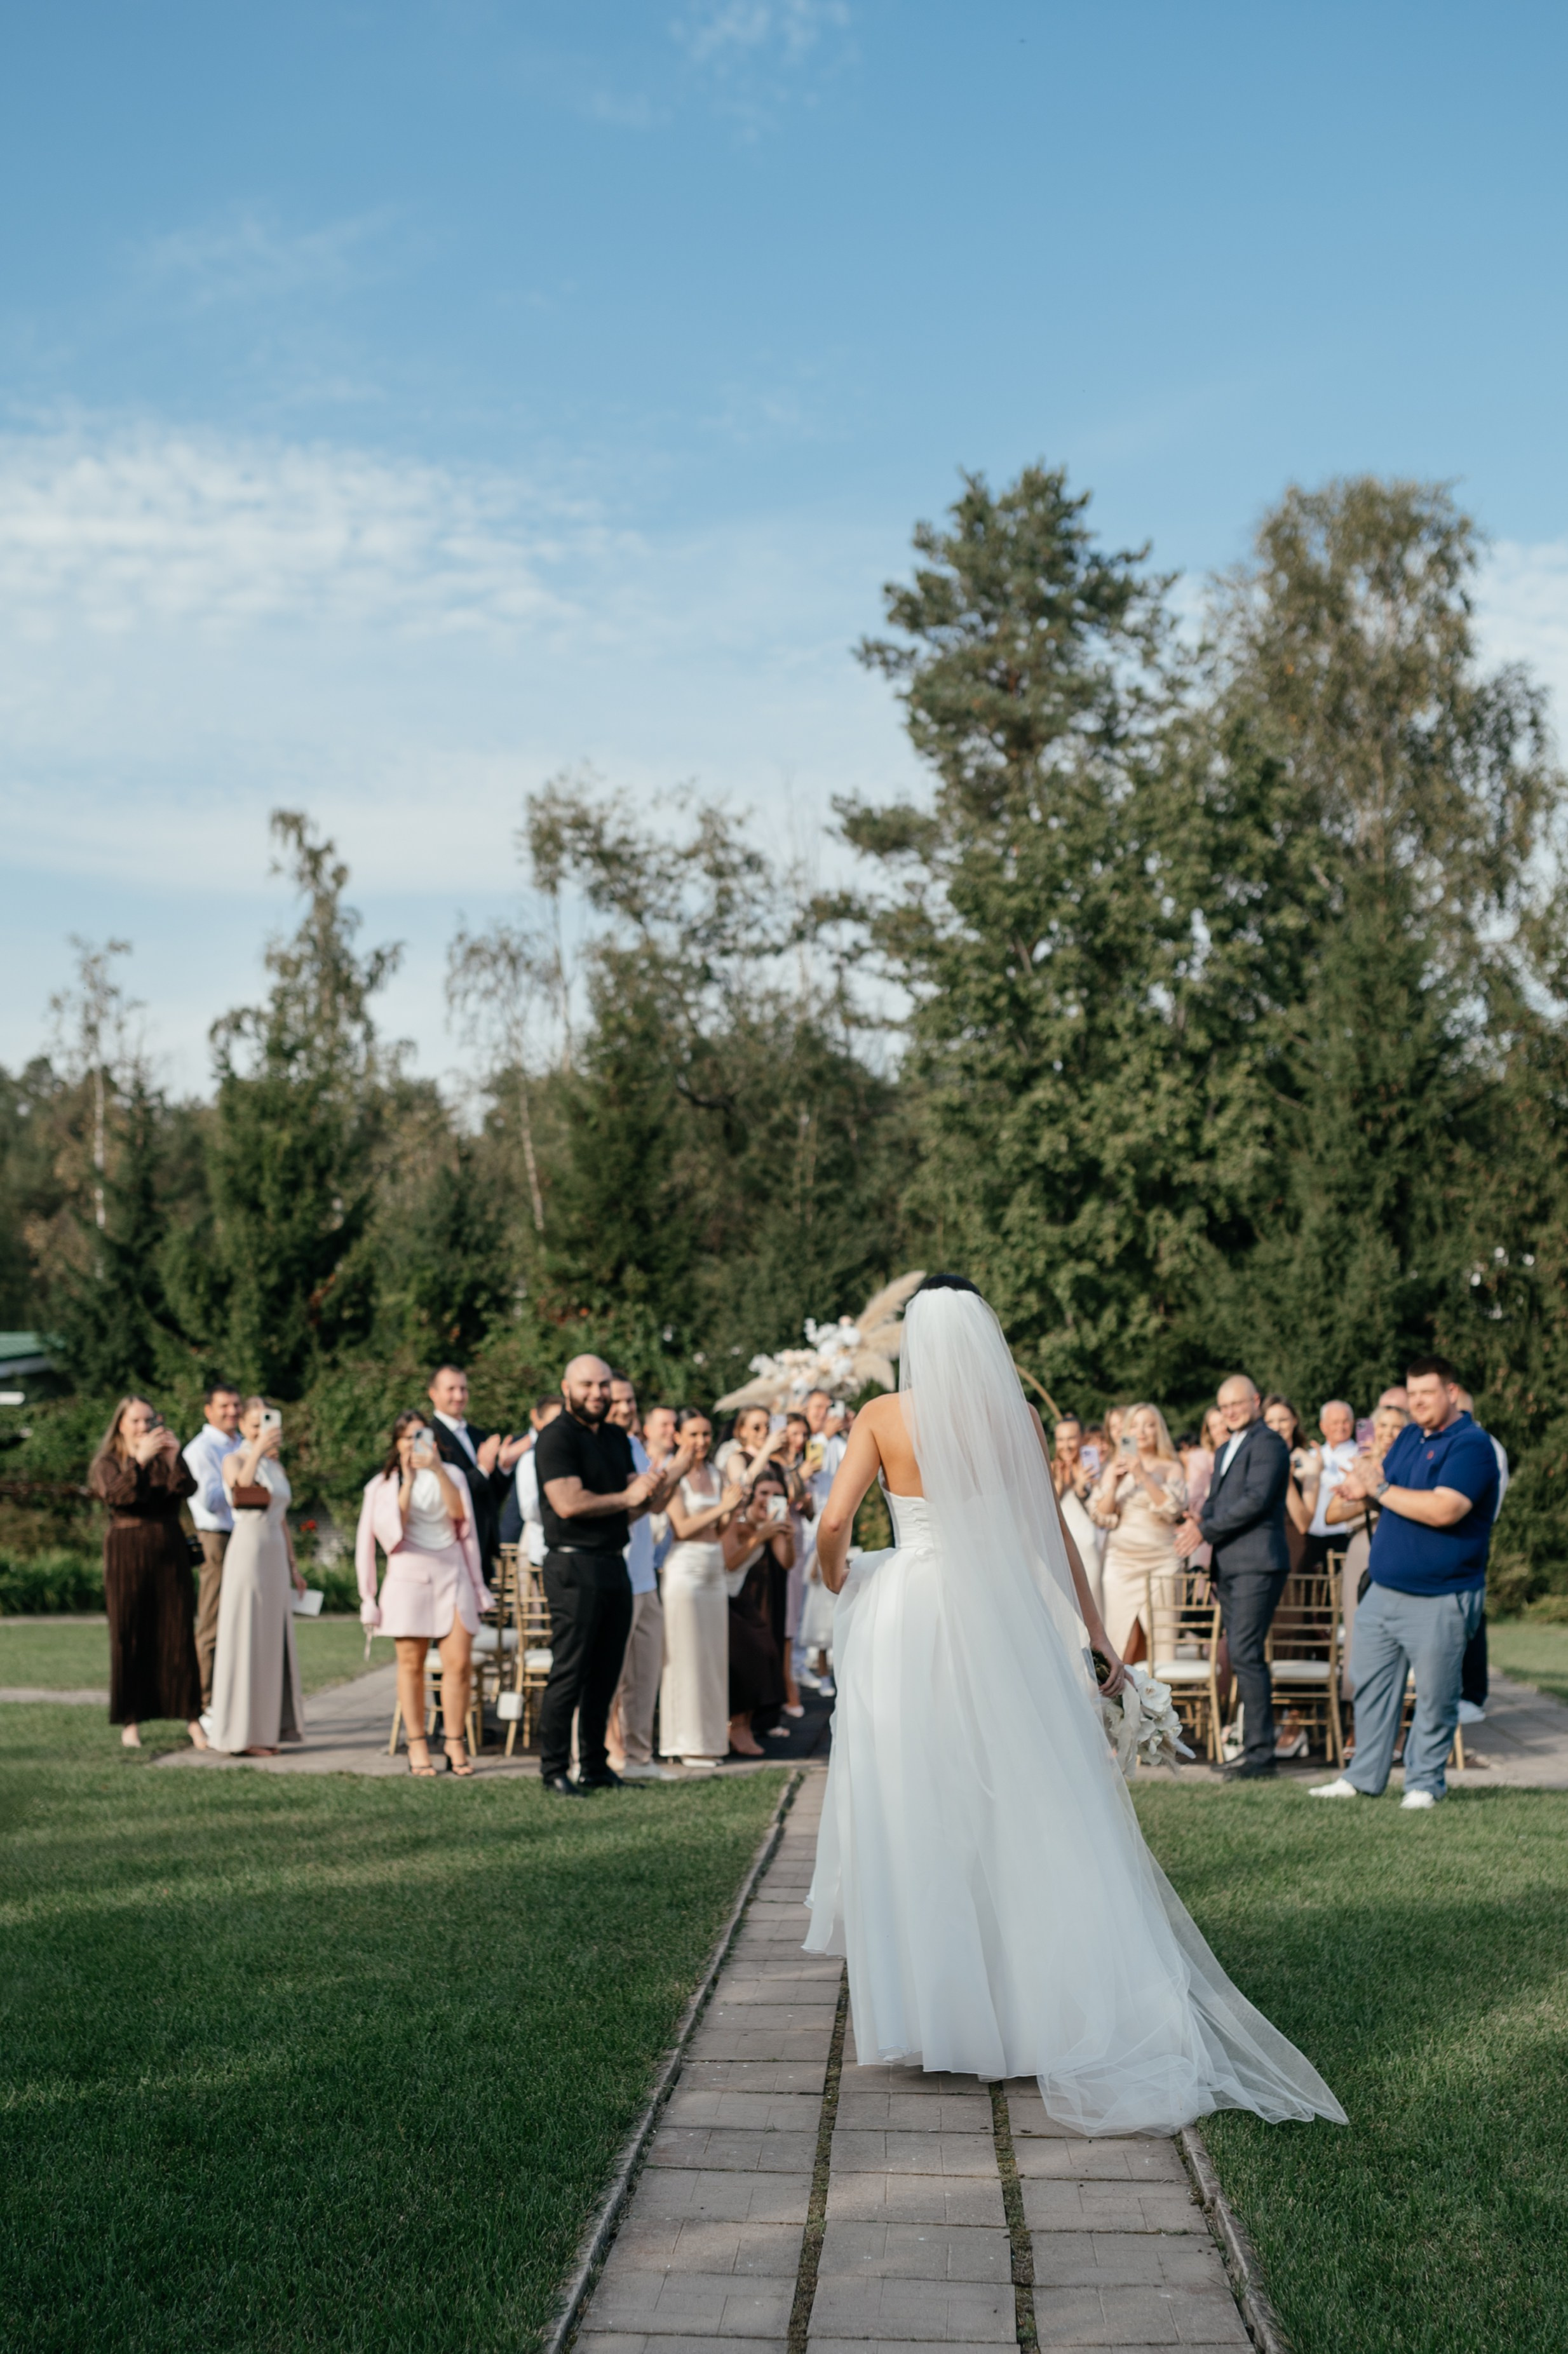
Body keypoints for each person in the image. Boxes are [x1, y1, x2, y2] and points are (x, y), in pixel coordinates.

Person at [804, 1274, 1345, 2135]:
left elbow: (833, 1525)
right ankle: (1031, 2008)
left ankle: (944, 2014)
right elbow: (1050, 1534)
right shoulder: (1017, 1418)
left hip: (912, 1617)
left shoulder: (882, 1416)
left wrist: (839, 1580)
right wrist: (1095, 1635)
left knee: (920, 1799)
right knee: (1022, 1799)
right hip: (999, 1614)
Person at [1312, 1357, 1499, 1809]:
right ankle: (1362, 1777)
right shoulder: (1411, 1437)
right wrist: (1362, 1492)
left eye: (1427, 1393)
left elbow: (1444, 1509)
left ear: (1451, 1393)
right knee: (1370, 1688)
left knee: (1435, 1696)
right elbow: (1388, 1491)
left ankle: (1424, 1782)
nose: (1417, 1402)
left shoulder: (1472, 1445)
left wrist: (1377, 1490)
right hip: (1383, 1589)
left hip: (1441, 1594)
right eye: (1412, 1394)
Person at [534, 1355, 673, 1794]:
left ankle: (595, 1766)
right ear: (567, 1388)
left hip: (615, 1561)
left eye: (603, 1384)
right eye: (587, 1385)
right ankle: (554, 1768)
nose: (597, 1393)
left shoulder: (615, 1437)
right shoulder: (555, 1437)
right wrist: (628, 1495)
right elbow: (568, 1503)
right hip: (572, 1564)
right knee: (571, 1669)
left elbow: (634, 1505)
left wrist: (657, 1484)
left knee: (607, 1672)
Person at [356, 1409, 493, 1778]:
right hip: (408, 1576)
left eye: (422, 1436)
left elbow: (460, 1516)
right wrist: (409, 1481)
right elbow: (388, 1535)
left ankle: (454, 1741)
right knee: (411, 1665)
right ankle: (416, 1743)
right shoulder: (382, 1485)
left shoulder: (453, 1475)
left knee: (459, 1664)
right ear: (397, 1443)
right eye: (408, 1438)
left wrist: (436, 1470)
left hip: (452, 1572)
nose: (415, 1444)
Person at [1175, 1374, 1291, 1780]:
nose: (1230, 1412)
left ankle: (1261, 1756)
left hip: (1257, 1563)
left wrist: (1204, 1531)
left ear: (1256, 1401)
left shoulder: (1270, 1444)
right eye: (1224, 1407)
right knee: (1243, 1654)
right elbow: (1219, 1502)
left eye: (1237, 1404)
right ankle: (1252, 1749)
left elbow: (1256, 1501)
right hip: (1229, 1565)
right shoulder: (1225, 1448)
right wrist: (1198, 1520)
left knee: (1245, 1653)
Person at [89, 1397, 208, 1751]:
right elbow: (117, 1496)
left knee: (178, 1632)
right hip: (127, 1553)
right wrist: (138, 1461)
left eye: (149, 1420)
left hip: (169, 1552)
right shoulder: (108, 1462)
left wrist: (173, 1459)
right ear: (121, 1424)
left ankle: (192, 1716)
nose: (144, 1427)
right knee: (129, 1632)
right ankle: (131, 1719)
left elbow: (188, 1490)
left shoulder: (164, 1457)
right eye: (136, 1421)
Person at [207, 1397, 307, 1756]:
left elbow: (282, 1518)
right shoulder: (234, 1459)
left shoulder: (276, 1466)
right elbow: (240, 1491)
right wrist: (257, 1451)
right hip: (248, 1551)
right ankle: (239, 1735)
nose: (262, 1431)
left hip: (275, 1553)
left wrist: (293, 1566)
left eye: (267, 1425)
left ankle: (267, 1730)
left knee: (271, 1642)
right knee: (246, 1637)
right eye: (254, 1425)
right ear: (243, 1428)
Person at [606, 1371, 687, 1783]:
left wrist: (675, 1473)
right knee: (609, 1676)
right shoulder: (602, 1448)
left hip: (644, 1576)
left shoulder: (635, 1446)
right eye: (618, 1401)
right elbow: (627, 1507)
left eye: (631, 1401)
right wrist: (676, 1468)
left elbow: (653, 1506)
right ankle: (593, 1755)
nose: (626, 1408)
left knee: (644, 1674)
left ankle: (639, 1757)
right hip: (614, 1574)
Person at [659, 1407, 745, 1768]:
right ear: (678, 1436)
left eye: (706, 1434)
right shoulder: (673, 1475)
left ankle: (711, 1740)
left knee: (713, 1658)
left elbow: (721, 1528)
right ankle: (683, 1741)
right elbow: (681, 1527)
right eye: (693, 1434)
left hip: (713, 1566)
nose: (701, 1441)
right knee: (685, 1657)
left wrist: (733, 1509)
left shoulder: (714, 1472)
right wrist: (722, 1507)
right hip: (684, 1568)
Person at [1324, 1400, 1409, 1700]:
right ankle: (1357, 1708)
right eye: (1383, 1425)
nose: (1389, 1433)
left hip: (1403, 1549)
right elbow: (1331, 1514)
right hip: (1364, 1548)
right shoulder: (1363, 1465)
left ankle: (1399, 1707)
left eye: (1397, 1427)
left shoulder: (1411, 1464)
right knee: (1358, 1627)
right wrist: (1369, 1499)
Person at [1090, 1404, 1187, 1660]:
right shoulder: (1115, 1466)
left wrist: (1143, 1475)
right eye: (1134, 1425)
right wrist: (1114, 1485)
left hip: (1162, 1563)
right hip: (1121, 1564)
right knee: (1123, 1641)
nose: (1141, 1431)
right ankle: (1122, 1687)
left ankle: (1158, 1687)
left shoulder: (1171, 1467)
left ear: (1159, 1430)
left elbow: (1173, 1510)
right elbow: (1101, 1515)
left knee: (1161, 1644)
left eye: (1149, 1425)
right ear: (1126, 1431)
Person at [722, 1464, 793, 1755]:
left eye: (777, 1495)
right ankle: (736, 1726)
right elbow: (730, 1563)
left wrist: (787, 1535)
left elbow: (787, 1562)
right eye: (764, 1493)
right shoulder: (736, 1521)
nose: (769, 1500)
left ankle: (746, 1724)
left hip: (742, 1600)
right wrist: (760, 1535)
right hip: (721, 1596)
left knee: (768, 1651)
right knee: (750, 1654)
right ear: (753, 1495)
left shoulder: (770, 1524)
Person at [426, 1363, 520, 1569]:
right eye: (451, 1389)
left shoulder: (478, 1435)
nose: (459, 1396)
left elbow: (491, 1495)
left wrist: (503, 1468)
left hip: (483, 1544)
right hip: (451, 1544)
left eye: (463, 1389)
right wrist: (482, 1470)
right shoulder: (430, 1436)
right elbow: (439, 1493)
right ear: (433, 1393)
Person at [184, 1380, 240, 1712]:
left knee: (242, 1621)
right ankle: (204, 1702)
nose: (232, 1411)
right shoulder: (201, 1450)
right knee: (212, 1620)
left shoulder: (244, 1442)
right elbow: (210, 1500)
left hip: (246, 1535)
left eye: (236, 1405)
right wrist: (243, 1480)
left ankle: (233, 1697)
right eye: (225, 1406)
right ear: (209, 1410)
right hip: (215, 1538)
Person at [1455, 1386, 1508, 1724]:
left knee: (1471, 1615)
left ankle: (1472, 1694)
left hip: (1470, 1537)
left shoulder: (1486, 1446)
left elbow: (1491, 1503)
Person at [1050, 1417, 1104, 1616]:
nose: (1066, 1445)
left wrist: (1082, 1486)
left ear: (1082, 1439)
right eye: (1061, 1439)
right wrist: (1059, 1484)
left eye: (1071, 1438)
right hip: (1059, 1545)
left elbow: (1100, 1510)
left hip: (1088, 1544)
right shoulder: (1050, 1468)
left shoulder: (1092, 1468)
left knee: (1092, 1602)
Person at [1261, 1397, 1317, 1571]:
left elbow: (1304, 1524)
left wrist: (1288, 1480)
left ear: (1295, 1421)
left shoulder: (1308, 1464)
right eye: (1270, 1422)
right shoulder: (1255, 1462)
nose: (1277, 1427)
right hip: (1260, 1548)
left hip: (1292, 1551)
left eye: (1283, 1420)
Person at [1303, 1400, 1358, 1574]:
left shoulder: (1361, 1455)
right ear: (1323, 1426)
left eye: (1345, 1421)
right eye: (1335, 1422)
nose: (1341, 1427)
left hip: (1346, 1535)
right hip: (1313, 1537)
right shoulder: (1311, 1456)